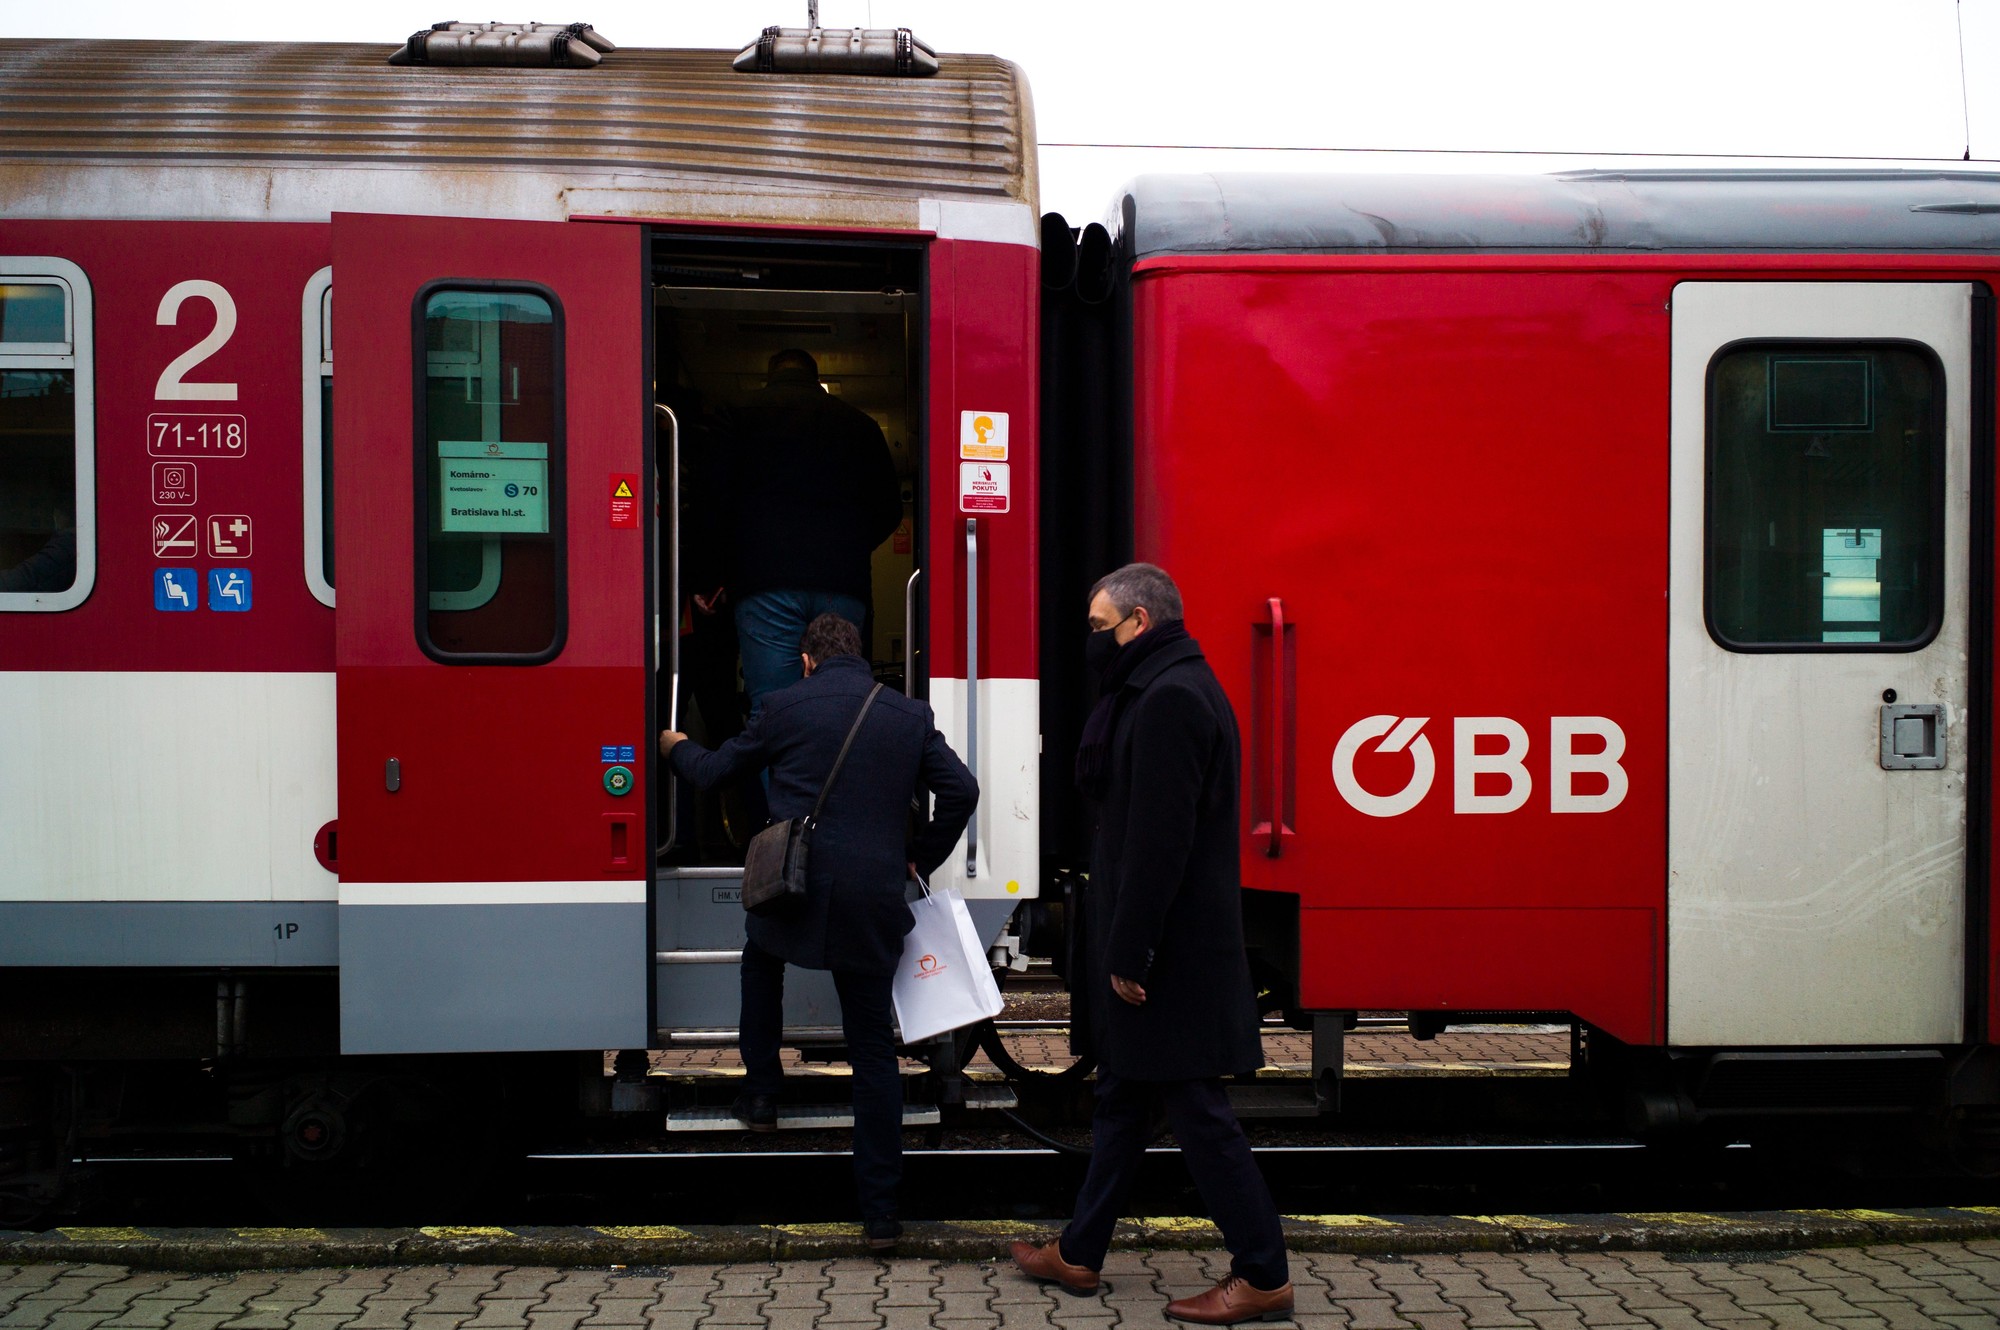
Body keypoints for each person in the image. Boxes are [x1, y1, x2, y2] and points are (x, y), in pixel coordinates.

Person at [1010, 563, 1292, 1325]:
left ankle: (1263, 1272)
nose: (1093, 641)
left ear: (1140, 621)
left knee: (1197, 1109)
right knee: (1124, 1101)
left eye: (1101, 627)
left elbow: (1158, 845)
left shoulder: (1168, 700)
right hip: (1171, 944)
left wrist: (1130, 954)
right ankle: (1079, 1252)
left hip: (1171, 952)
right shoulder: (1166, 686)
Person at [660, 612, 977, 1250]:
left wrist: (674, 747)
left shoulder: (783, 706)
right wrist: (920, 852)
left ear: (807, 660)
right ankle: (882, 1215)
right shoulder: (906, 715)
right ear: (857, 657)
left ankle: (761, 1094)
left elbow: (715, 772)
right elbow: (962, 790)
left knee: (760, 960)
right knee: (871, 1053)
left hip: (793, 894)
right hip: (871, 901)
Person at [721, 349, 903, 716]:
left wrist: (716, 571)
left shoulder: (737, 417)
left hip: (765, 583)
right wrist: (849, 547)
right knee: (840, 707)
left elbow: (716, 501)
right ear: (815, 378)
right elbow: (890, 508)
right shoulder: (860, 424)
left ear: (770, 378)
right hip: (842, 584)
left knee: (773, 709)